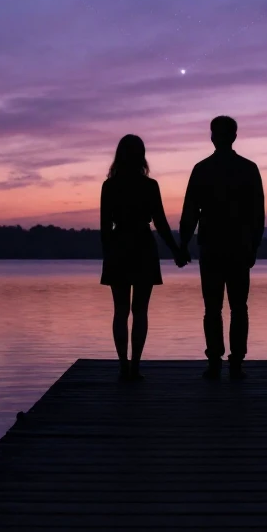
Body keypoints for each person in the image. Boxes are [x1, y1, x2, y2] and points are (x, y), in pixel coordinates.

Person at [179, 116, 264, 380]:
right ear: (234, 137)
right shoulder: (248, 169)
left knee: (213, 308)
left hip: (213, 247)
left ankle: (216, 361)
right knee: (238, 307)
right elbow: (258, 215)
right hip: (237, 247)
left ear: (213, 137)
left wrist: (183, 244)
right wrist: (254, 246)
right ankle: (235, 362)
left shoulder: (202, 169)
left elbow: (190, 212)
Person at [100, 134, 189, 381]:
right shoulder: (149, 186)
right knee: (140, 310)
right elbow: (160, 222)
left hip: (119, 246)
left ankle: (123, 366)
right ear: (142, 156)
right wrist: (175, 250)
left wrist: (108, 255)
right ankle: (135, 366)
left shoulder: (110, 186)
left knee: (120, 310)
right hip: (142, 245)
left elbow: (105, 227)